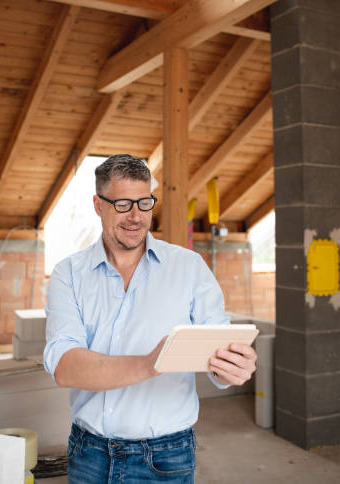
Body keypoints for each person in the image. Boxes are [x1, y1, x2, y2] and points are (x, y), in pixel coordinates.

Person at [44, 154, 257, 483]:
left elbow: (219, 357)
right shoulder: (68, 274)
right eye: (123, 204)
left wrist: (231, 368)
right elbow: (65, 366)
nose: (136, 216)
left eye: (144, 203)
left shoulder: (189, 268)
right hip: (88, 454)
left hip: (167, 457)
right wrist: (150, 363)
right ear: (98, 205)